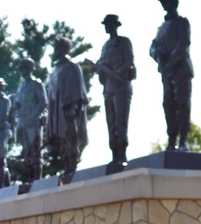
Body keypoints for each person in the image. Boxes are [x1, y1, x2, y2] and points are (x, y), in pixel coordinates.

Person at [149, 0, 194, 151]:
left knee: (182, 103)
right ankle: (172, 138)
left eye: (166, 1)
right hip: (166, 72)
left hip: (180, 69)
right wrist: (158, 57)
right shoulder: (161, 27)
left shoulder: (181, 22)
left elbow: (183, 43)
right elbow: (152, 47)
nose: (163, 4)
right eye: (162, 2)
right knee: (168, 104)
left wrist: (170, 62)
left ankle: (183, 140)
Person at [91, 14, 135, 165]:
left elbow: (129, 60)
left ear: (116, 25)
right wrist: (98, 69)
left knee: (121, 121)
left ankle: (122, 154)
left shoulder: (123, 42)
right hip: (108, 88)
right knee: (111, 123)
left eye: (109, 24)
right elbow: (102, 65)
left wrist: (116, 73)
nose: (107, 27)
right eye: (106, 24)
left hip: (121, 86)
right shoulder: (105, 46)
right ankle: (114, 153)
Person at [45, 37, 88, 180]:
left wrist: (74, 106)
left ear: (64, 48)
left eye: (58, 47)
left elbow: (77, 88)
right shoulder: (55, 69)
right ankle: (66, 166)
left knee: (70, 138)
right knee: (61, 140)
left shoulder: (71, 66)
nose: (55, 50)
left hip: (68, 109)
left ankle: (72, 166)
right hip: (57, 112)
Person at [14, 58, 47, 182]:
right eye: (21, 68)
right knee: (26, 152)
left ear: (30, 69)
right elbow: (19, 104)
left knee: (35, 150)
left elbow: (43, 102)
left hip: (33, 122)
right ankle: (30, 179)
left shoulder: (35, 83)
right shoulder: (20, 87)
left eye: (24, 68)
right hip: (22, 122)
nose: (21, 71)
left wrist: (32, 117)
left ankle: (37, 179)